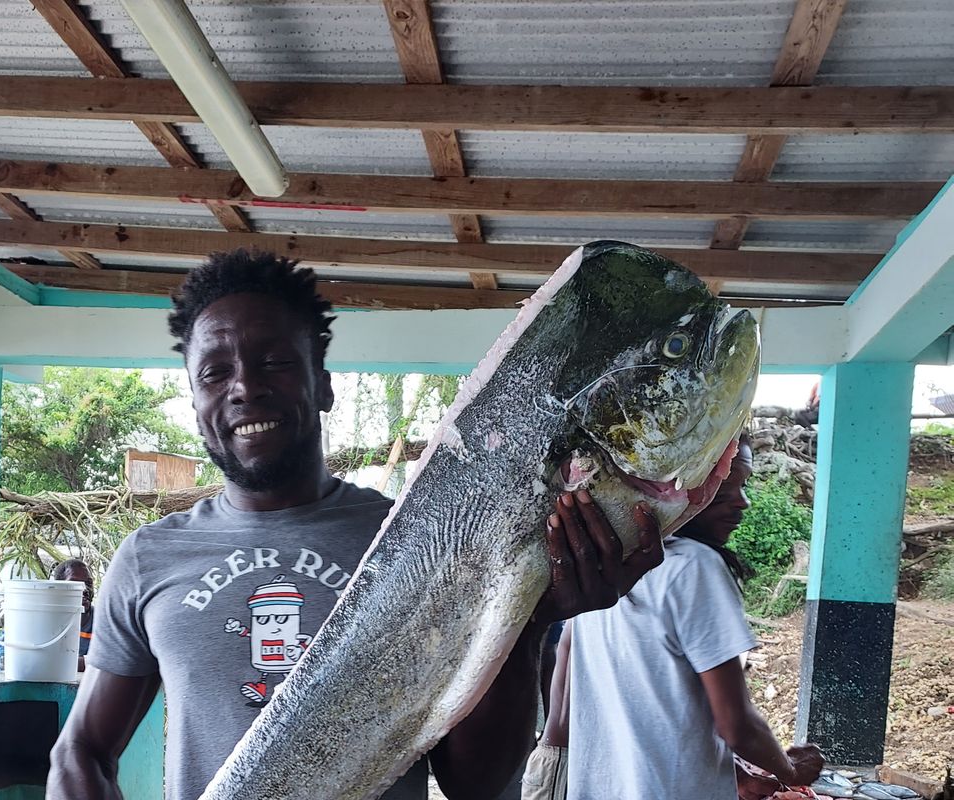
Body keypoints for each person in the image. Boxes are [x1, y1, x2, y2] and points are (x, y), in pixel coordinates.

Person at [47, 249, 665, 800]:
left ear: (324, 387)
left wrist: (528, 623)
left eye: (275, 362)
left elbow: (474, 785)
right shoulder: (147, 558)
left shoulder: (424, 537)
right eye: (215, 372)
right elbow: (81, 752)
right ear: (195, 402)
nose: (245, 388)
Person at [525, 434, 824, 800]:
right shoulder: (695, 567)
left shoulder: (609, 566)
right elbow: (736, 725)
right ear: (689, 485)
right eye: (728, 486)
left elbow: (643, 703)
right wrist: (790, 770)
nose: (742, 503)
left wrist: (737, 772)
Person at [52, 558, 94, 672]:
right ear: (58, 588)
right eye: (75, 583)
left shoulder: (105, 620)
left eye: (89, 583)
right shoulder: (47, 621)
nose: (85, 589)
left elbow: (110, 661)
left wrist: (61, 662)